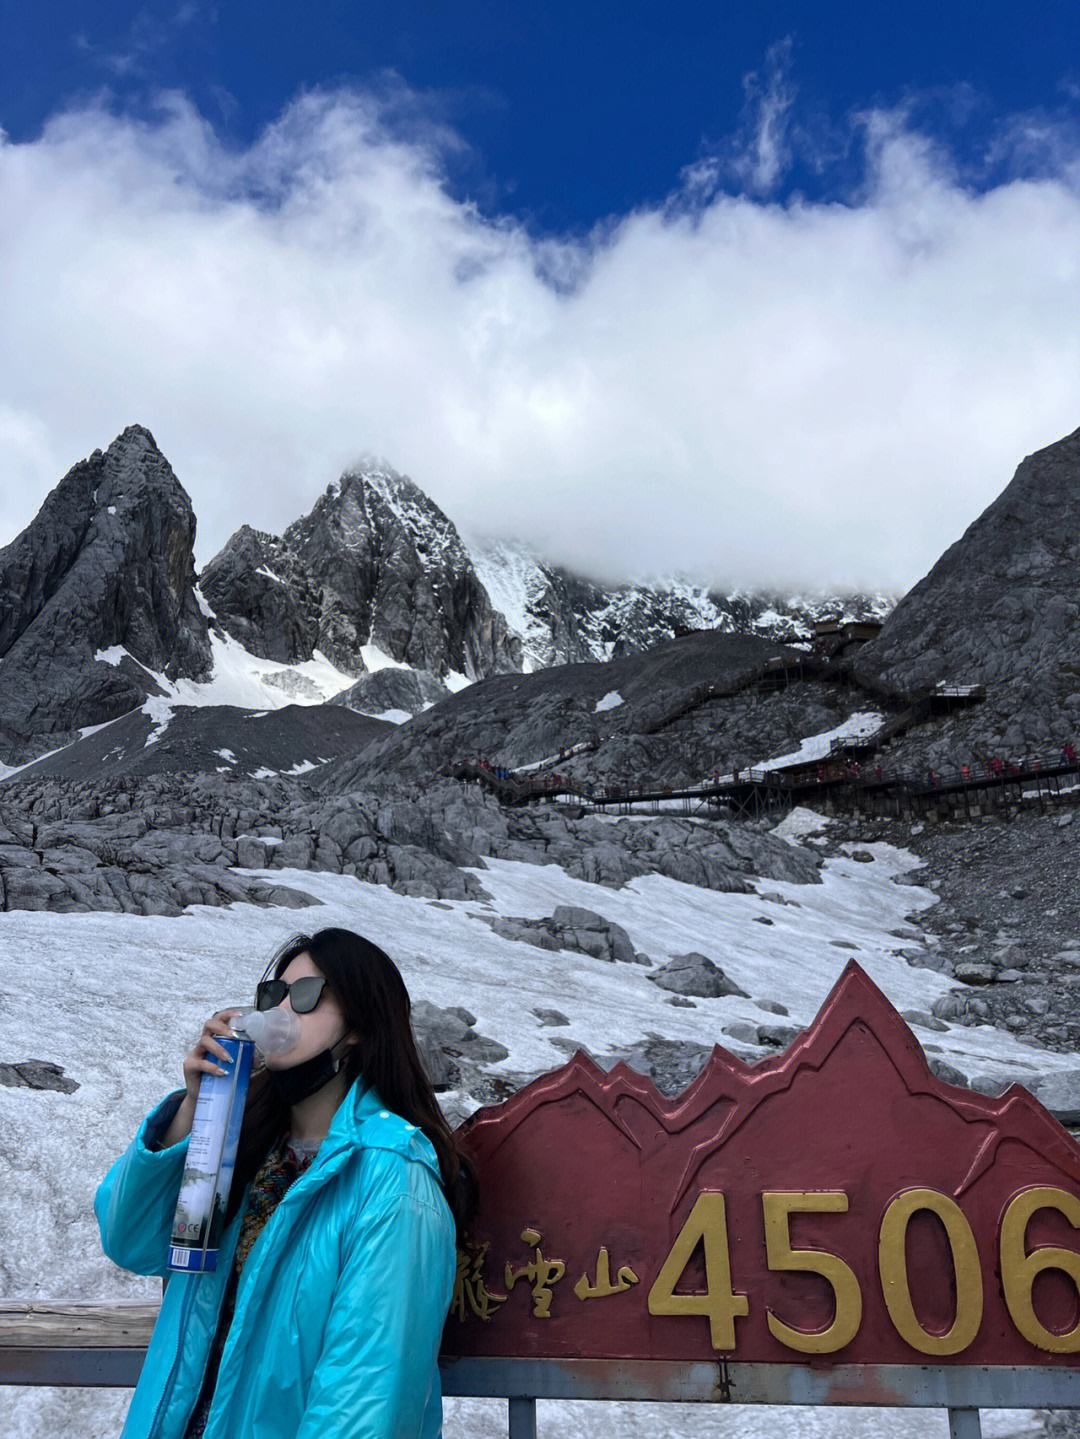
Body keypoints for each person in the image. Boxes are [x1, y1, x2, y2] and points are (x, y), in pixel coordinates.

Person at [94, 928, 476, 1439]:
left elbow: (364, 1403)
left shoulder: (393, 1178)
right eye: (273, 995)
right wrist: (192, 1111)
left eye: (305, 997)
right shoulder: (242, 1143)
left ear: (360, 1024)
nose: (278, 1013)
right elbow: (131, 1242)